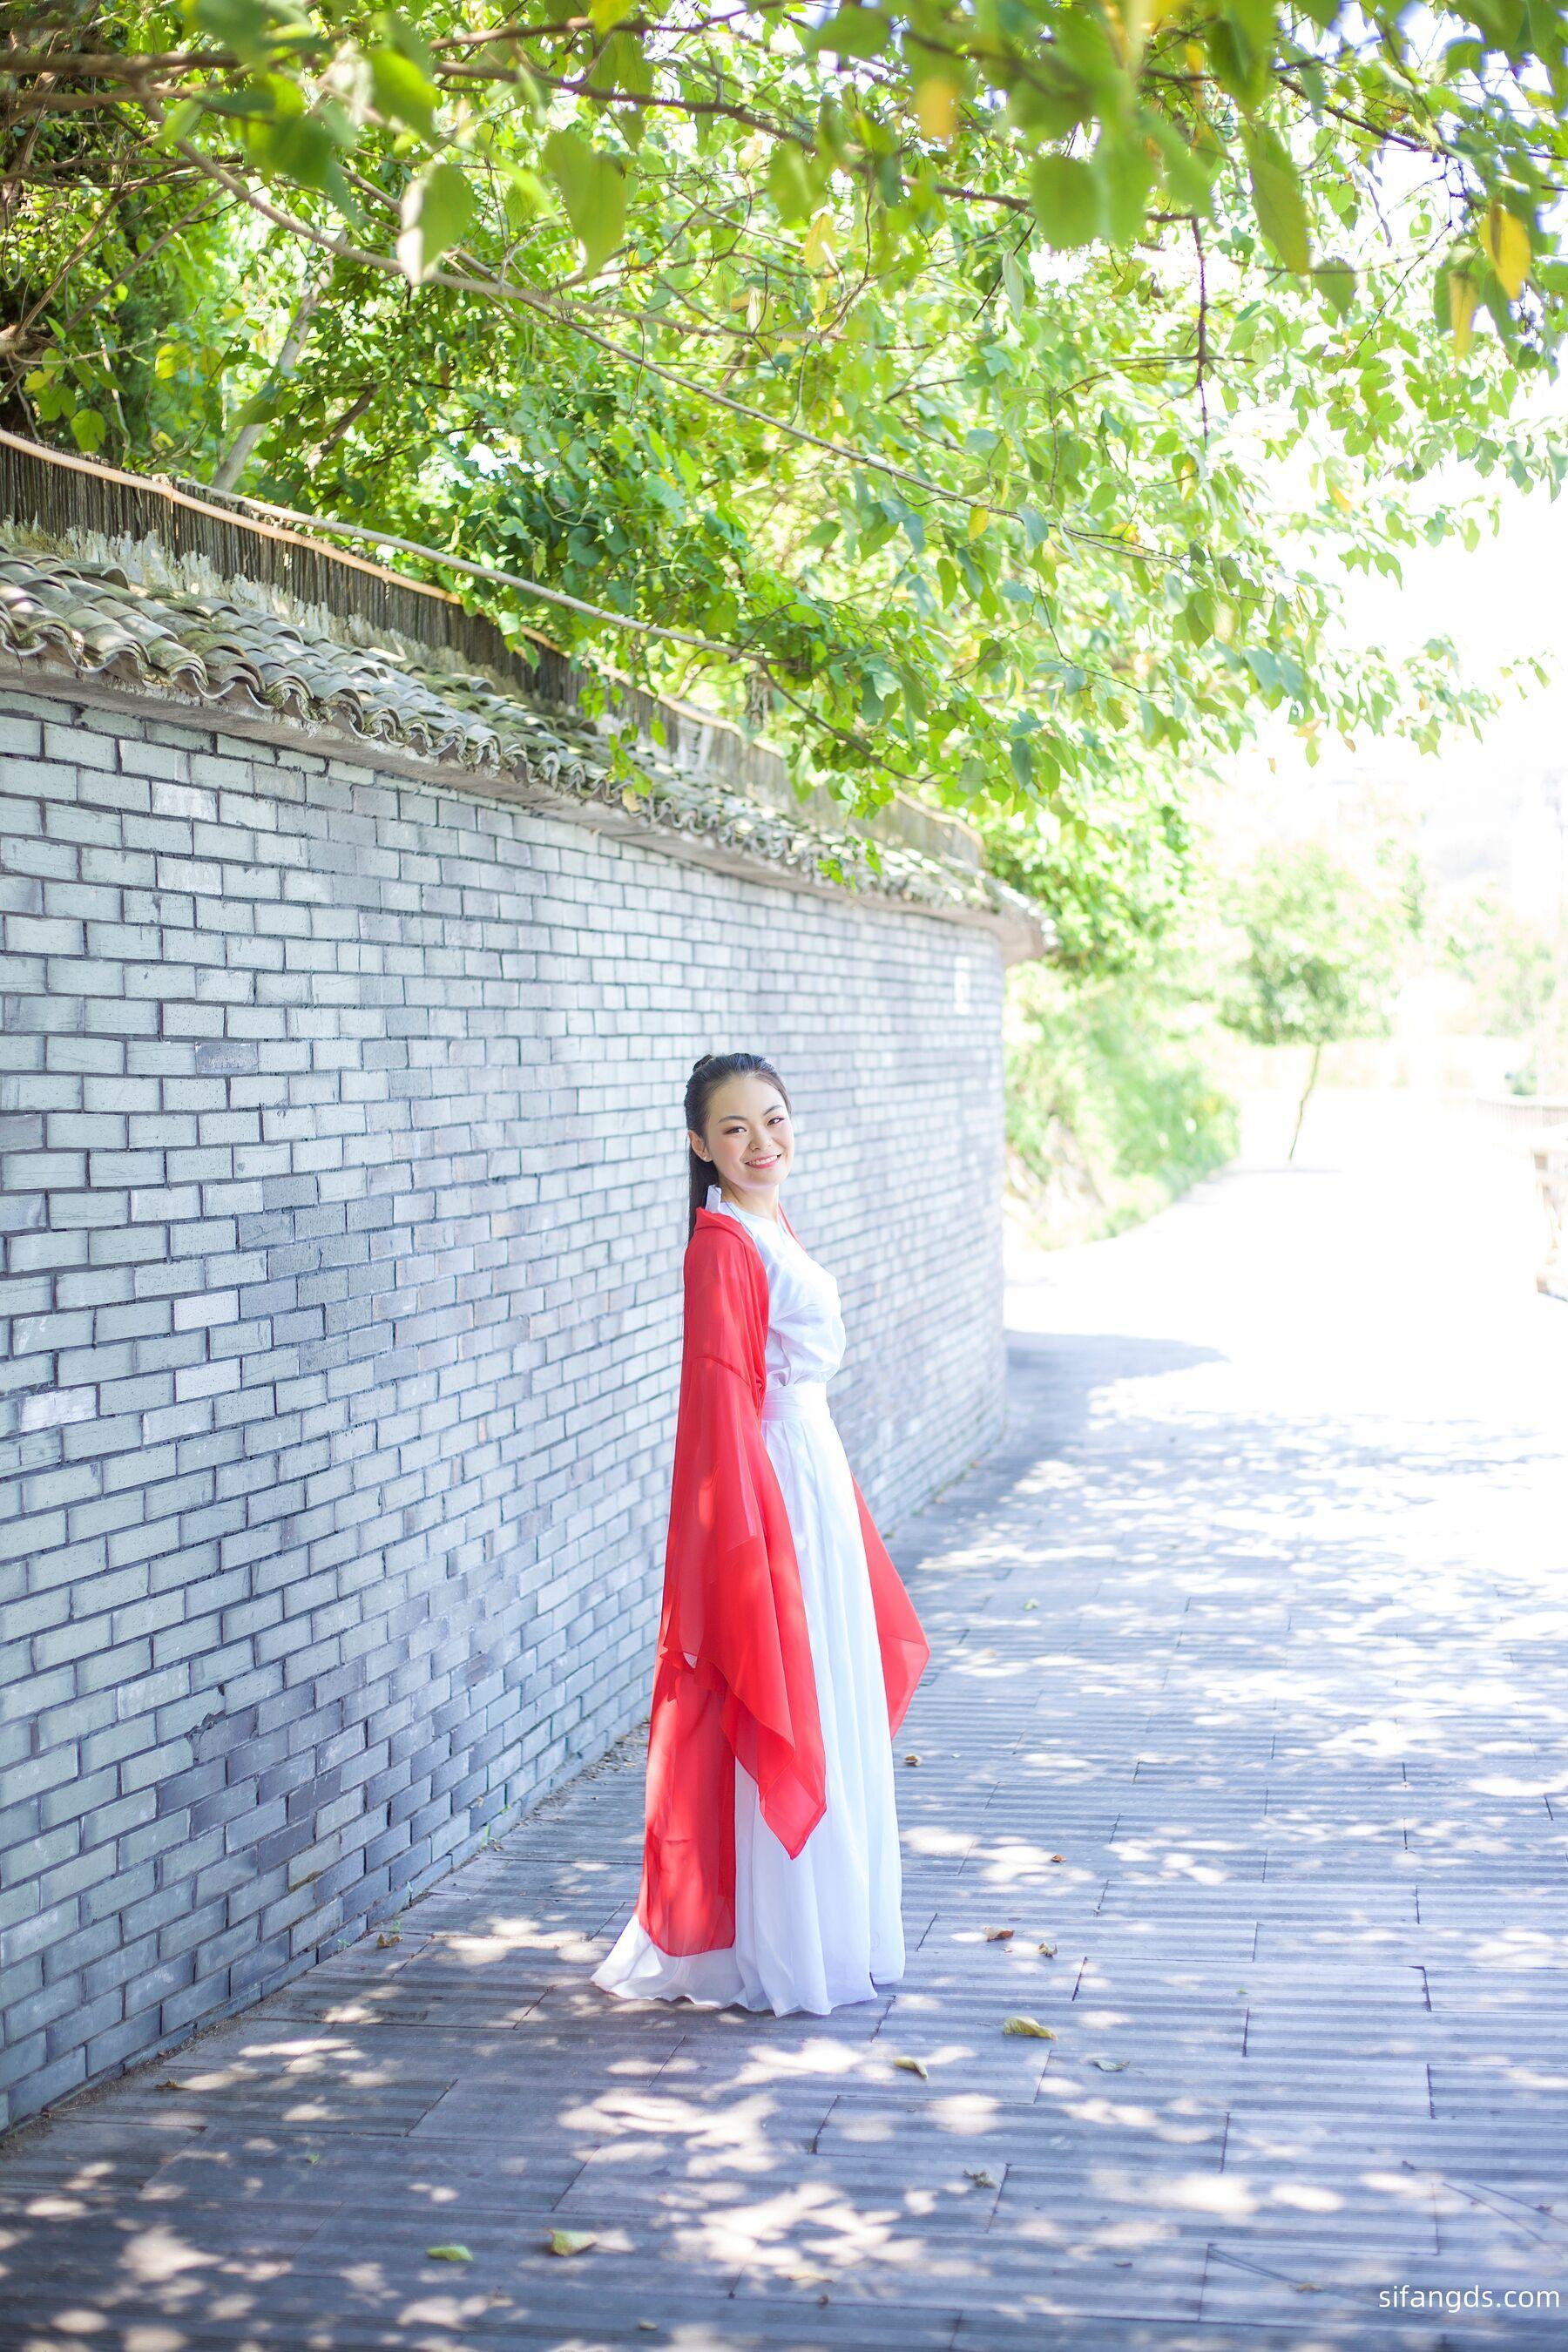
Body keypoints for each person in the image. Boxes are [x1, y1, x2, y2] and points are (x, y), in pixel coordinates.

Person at [592, 1051, 929, 2016]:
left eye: (773, 1119)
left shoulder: (773, 1224)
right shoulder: (723, 1245)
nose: (760, 1142)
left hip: (813, 1471)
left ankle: (831, 1929)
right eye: (734, 1128)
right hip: (775, 1489)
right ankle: (785, 1948)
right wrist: (749, 1546)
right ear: (699, 1145)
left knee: (827, 1688)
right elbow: (720, 1411)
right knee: (789, 1684)